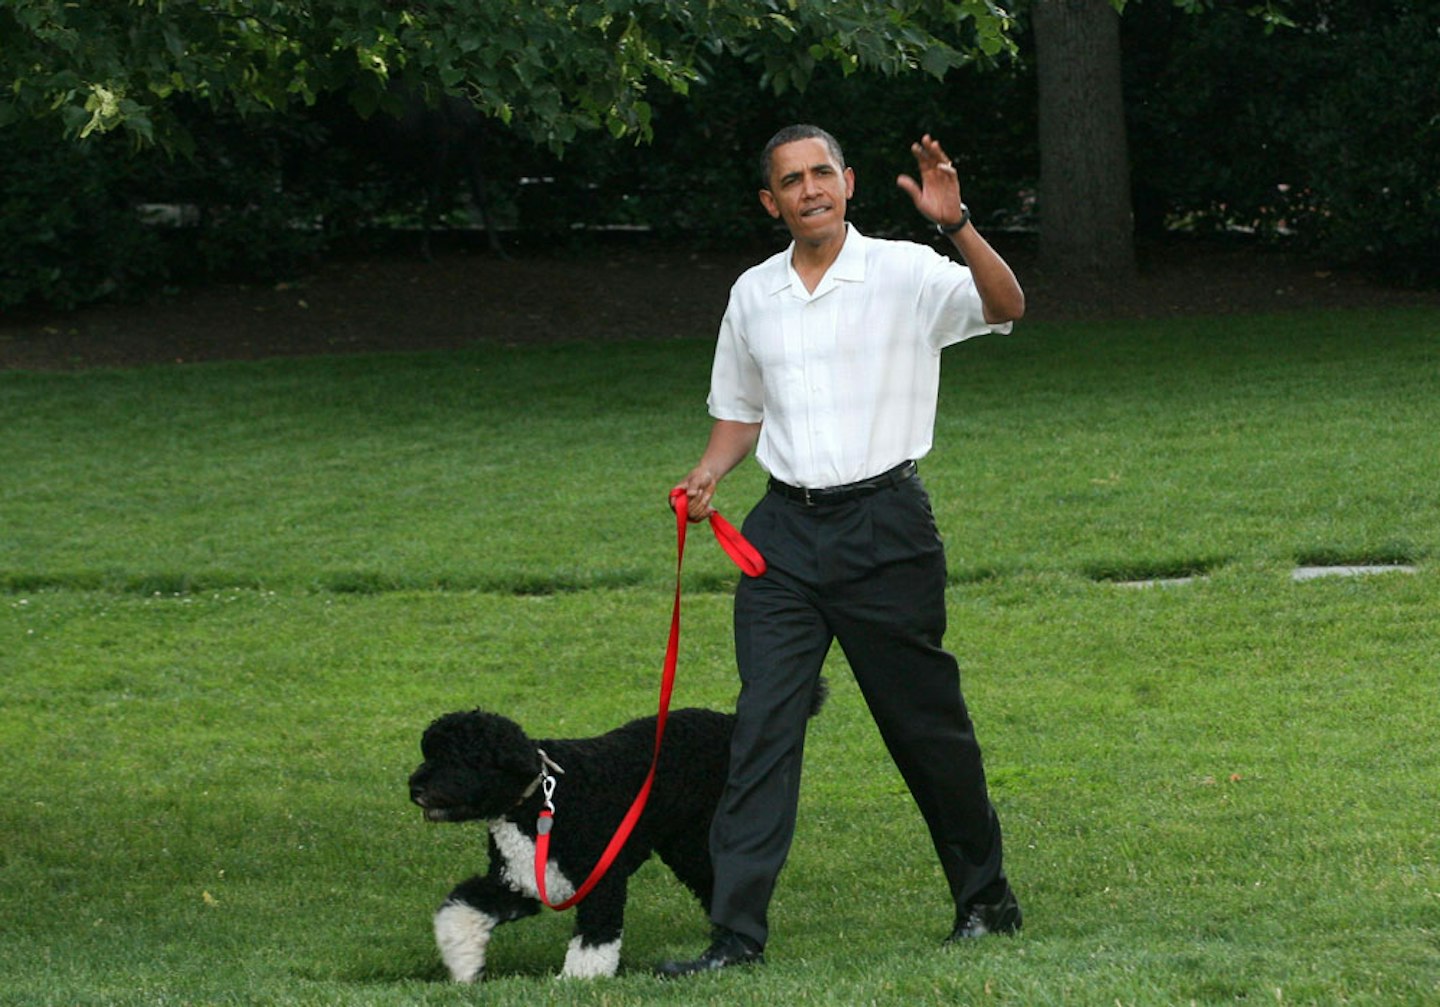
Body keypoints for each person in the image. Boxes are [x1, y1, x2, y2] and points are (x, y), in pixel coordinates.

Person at [656, 124, 1026, 977]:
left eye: (823, 172)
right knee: (762, 731)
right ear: (771, 200)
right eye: (792, 179)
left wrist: (957, 223)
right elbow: (739, 411)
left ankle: (985, 898)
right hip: (782, 536)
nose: (810, 188)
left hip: (885, 529)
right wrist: (709, 471)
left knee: (924, 728)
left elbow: (1007, 306)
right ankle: (736, 936)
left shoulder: (906, 270)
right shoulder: (753, 294)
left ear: (849, 182)